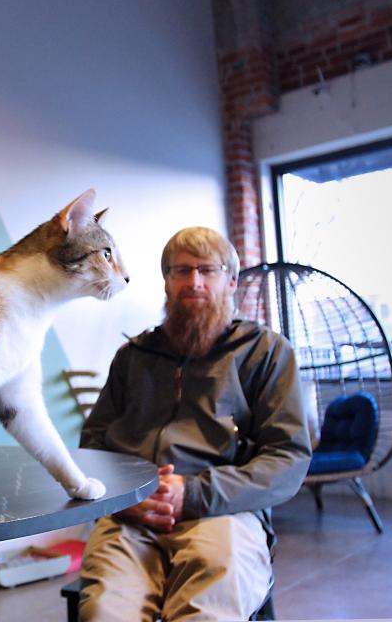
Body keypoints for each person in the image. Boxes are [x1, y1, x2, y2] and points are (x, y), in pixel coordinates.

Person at [78, 227, 312, 621]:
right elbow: (94, 445)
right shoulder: (132, 357)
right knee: (105, 612)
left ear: (232, 281)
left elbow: (288, 459)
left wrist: (194, 493)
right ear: (167, 282)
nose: (194, 282)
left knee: (207, 610)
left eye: (208, 270)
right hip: (132, 514)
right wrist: (127, 497)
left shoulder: (267, 353)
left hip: (225, 510)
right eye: (181, 271)